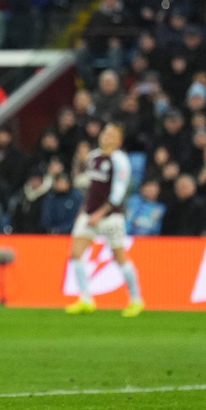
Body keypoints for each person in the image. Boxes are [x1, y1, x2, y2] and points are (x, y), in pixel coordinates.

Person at [65, 123, 144, 317]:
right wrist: (84, 211)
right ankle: (85, 299)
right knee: (76, 253)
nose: (106, 136)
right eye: (105, 133)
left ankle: (136, 300)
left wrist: (99, 213)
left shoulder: (119, 160)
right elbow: (92, 188)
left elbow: (118, 192)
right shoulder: (93, 157)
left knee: (119, 257)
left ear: (119, 141)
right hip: (89, 213)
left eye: (111, 134)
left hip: (110, 216)